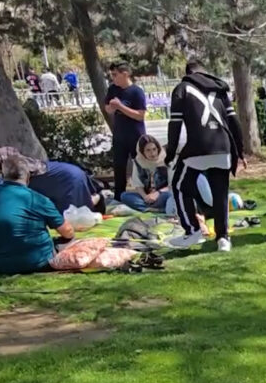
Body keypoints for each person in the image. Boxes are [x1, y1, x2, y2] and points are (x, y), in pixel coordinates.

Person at [165, 60, 245, 252]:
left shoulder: (182, 89)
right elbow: (234, 121)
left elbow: (174, 124)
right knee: (220, 193)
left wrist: (170, 154)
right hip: (223, 146)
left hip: (198, 147)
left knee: (179, 185)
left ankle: (192, 230)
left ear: (187, 73)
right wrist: (240, 152)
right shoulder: (219, 89)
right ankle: (223, 239)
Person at [0, 154, 75, 275]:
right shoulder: (38, 199)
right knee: (70, 241)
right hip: (35, 263)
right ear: (28, 176)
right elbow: (67, 231)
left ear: (2, 176)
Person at [105, 62, 147, 200]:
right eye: (112, 75)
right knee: (119, 165)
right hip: (119, 134)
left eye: (115, 75)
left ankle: (146, 192)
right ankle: (119, 195)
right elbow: (108, 108)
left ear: (125, 74)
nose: (113, 78)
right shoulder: (112, 89)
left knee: (140, 164)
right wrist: (112, 107)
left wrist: (120, 106)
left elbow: (140, 115)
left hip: (135, 134)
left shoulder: (136, 91)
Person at [121, 135, 172, 213]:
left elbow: (172, 184)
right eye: (148, 150)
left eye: (154, 149)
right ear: (142, 152)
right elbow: (138, 185)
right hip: (147, 197)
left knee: (169, 195)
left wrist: (157, 193)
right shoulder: (138, 162)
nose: (152, 153)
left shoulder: (166, 160)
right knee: (124, 196)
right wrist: (145, 197)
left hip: (162, 195)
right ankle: (153, 209)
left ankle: (147, 209)